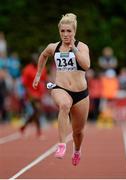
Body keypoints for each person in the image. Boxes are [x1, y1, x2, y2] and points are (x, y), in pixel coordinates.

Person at [33, 13, 90, 166]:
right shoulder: (54, 47)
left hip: (81, 93)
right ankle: (61, 144)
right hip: (59, 87)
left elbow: (86, 65)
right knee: (64, 105)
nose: (65, 34)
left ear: (74, 32)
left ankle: (77, 150)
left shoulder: (82, 46)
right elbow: (44, 55)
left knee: (78, 131)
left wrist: (74, 50)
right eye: (63, 31)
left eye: (69, 31)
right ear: (59, 32)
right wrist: (39, 74)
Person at [20, 53, 47, 138]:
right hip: (30, 95)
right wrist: (30, 95)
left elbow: (43, 81)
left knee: (36, 112)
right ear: (32, 61)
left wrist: (44, 92)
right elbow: (24, 84)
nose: (37, 61)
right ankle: (39, 132)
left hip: (39, 95)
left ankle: (23, 127)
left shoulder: (43, 69)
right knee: (38, 110)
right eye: (35, 60)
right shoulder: (27, 69)